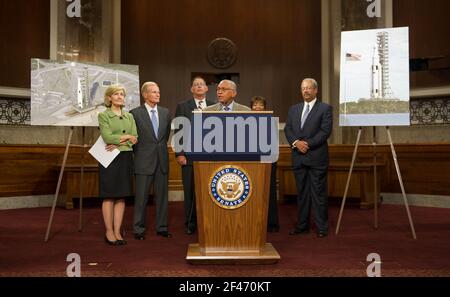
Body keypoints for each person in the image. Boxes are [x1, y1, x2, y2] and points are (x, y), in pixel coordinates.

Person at [284, 78, 333, 238]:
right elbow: (288, 129)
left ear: (315, 90)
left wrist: (307, 144)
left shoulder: (325, 108)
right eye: (303, 88)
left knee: (318, 193)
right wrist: (296, 143)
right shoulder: (294, 109)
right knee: (302, 193)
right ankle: (302, 226)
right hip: (298, 157)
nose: (305, 91)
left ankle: (322, 227)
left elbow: (325, 132)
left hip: (317, 157)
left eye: (309, 88)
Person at [130, 82, 172, 239]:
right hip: (143, 161)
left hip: (162, 161)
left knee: (162, 197)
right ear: (145, 94)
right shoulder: (134, 113)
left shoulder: (165, 112)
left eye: (158, 92)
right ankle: (138, 229)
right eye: (154, 92)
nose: (157, 94)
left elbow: (164, 136)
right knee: (141, 198)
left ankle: (162, 227)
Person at [98, 85, 138, 246]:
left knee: (121, 195)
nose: (120, 97)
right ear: (109, 98)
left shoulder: (129, 116)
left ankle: (117, 231)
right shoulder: (103, 115)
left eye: (122, 94)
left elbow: (135, 137)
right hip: (109, 158)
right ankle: (108, 231)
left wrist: (119, 140)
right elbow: (107, 137)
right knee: (109, 195)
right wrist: (125, 138)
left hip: (126, 157)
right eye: (116, 94)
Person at [174, 77, 215, 234]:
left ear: (206, 89)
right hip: (189, 156)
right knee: (190, 191)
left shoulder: (214, 106)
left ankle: (209, 221)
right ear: (192, 90)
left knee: (210, 189)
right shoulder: (183, 106)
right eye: (195, 85)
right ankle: (191, 223)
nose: (199, 86)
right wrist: (180, 153)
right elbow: (179, 131)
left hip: (211, 157)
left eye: (201, 84)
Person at [250, 96, 280, 232]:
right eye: (255, 105)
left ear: (264, 107)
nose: (257, 107)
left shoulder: (271, 122)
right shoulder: (245, 123)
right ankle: (253, 222)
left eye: (260, 105)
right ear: (251, 107)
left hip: (268, 162)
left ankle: (271, 224)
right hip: (251, 163)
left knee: (269, 192)